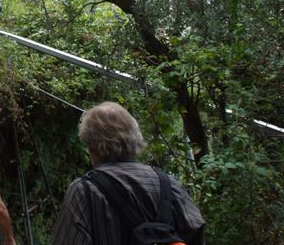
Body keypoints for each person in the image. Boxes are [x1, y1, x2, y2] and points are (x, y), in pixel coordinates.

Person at [50, 102, 205, 245]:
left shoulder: (84, 191)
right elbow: (196, 231)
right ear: (136, 139)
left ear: (91, 147)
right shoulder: (169, 184)